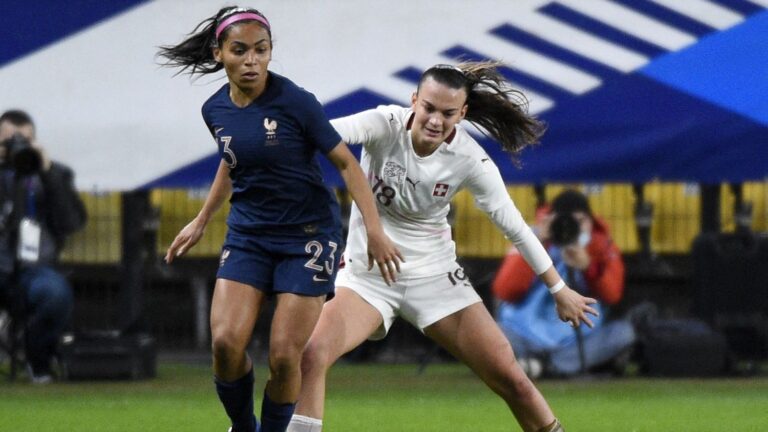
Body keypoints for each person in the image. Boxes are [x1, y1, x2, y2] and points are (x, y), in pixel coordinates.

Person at [287, 62, 598, 432]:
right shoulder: (383, 124)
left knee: (511, 378)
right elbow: (324, 133)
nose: (435, 121)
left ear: (462, 114)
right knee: (312, 354)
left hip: (435, 277)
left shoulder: (470, 159)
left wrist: (559, 289)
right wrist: (273, 127)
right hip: (368, 277)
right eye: (429, 108)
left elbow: (515, 227)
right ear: (414, 100)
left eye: (448, 114)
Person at [157, 6, 401, 432]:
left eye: (261, 50)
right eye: (240, 50)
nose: (252, 60)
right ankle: (242, 427)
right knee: (225, 344)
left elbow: (347, 164)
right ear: (219, 53)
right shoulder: (214, 110)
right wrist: (202, 219)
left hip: (307, 237)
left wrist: (375, 230)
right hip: (249, 235)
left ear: (271, 52)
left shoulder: (297, 103)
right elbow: (233, 160)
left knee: (286, 356)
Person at [493, 189, 636, 377]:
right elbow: (505, 291)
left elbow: (612, 295)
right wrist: (537, 245)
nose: (570, 227)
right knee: (492, 332)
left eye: (580, 221)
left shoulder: (600, 244)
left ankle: (541, 366)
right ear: (550, 220)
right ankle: (552, 366)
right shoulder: (529, 238)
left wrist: (589, 267)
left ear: (591, 221)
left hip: (576, 341)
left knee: (623, 333)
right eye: (563, 220)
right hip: (524, 332)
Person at [0, 109, 87, 383]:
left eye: (24, 141)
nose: (16, 148)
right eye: (8, 142)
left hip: (34, 270)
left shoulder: (54, 174)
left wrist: (47, 172)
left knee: (55, 294)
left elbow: (71, 223)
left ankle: (38, 360)